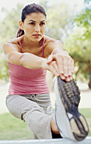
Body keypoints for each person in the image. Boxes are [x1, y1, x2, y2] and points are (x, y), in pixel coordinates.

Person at [2, 3, 88, 140]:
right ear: (21, 24)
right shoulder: (11, 46)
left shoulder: (49, 43)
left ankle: (59, 125)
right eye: (31, 23)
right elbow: (22, 58)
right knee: (32, 111)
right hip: (17, 97)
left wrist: (62, 56)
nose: (37, 29)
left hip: (43, 98)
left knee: (45, 136)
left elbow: (58, 49)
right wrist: (44, 62)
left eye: (42, 24)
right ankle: (59, 124)